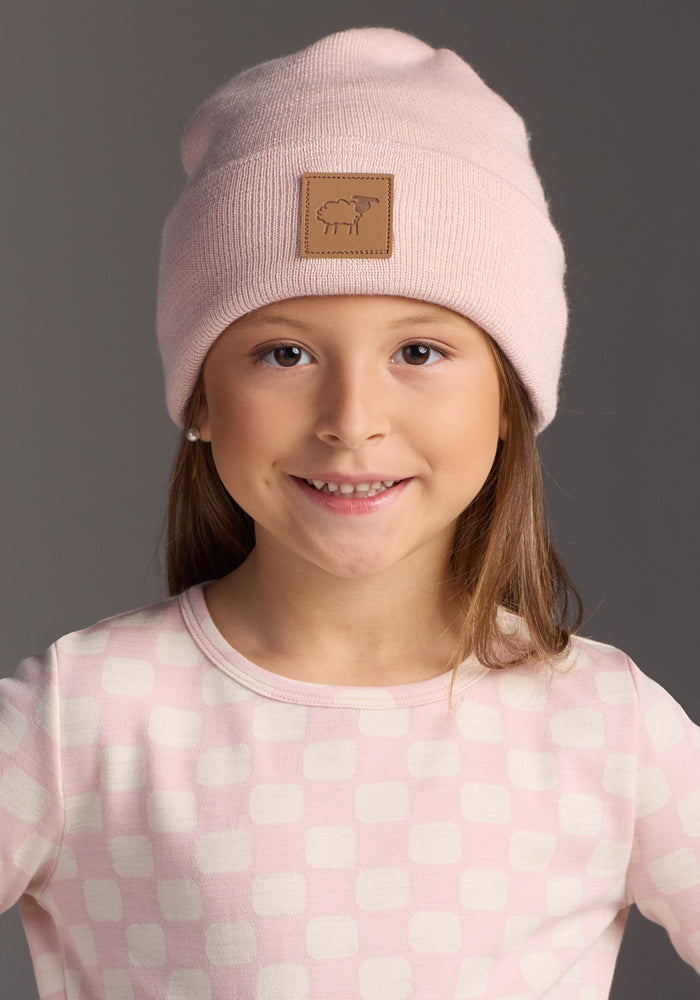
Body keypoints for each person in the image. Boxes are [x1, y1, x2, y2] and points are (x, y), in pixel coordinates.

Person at [1, 26, 698, 1000]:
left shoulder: (606, 728)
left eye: (418, 351)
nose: (352, 422)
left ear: (508, 397)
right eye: (285, 352)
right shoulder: (86, 718)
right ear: (202, 396)